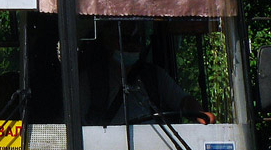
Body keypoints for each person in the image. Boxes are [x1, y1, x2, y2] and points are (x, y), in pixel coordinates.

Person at [81, 19, 215, 126]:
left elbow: (182, 100)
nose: (132, 46)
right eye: (125, 40)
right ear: (107, 41)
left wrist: (199, 114)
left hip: (153, 147)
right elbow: (76, 124)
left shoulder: (154, 75)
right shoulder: (90, 80)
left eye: (137, 40)